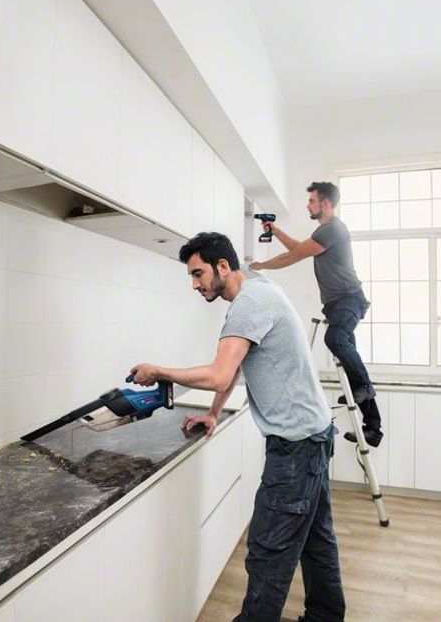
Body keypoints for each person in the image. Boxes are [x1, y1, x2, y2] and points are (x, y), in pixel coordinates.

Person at [129, 232, 346, 622]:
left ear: (222, 267)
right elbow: (233, 371)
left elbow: (218, 373)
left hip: (296, 449)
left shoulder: (247, 305)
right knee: (317, 541)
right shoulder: (262, 289)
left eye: (198, 274)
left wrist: (159, 371)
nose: (194, 284)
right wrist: (214, 413)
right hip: (314, 436)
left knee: (268, 551)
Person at [248, 182, 383, 447]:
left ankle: (364, 395)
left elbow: (293, 257)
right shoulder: (324, 233)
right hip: (338, 304)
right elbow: (299, 248)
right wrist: (277, 232)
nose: (307, 205)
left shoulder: (332, 229)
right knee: (346, 350)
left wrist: (261, 265)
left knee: (335, 339)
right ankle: (372, 425)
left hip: (348, 300)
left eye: (312, 201)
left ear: (325, 203)